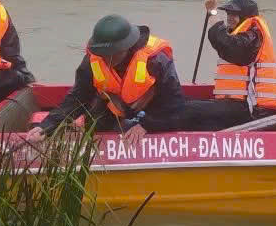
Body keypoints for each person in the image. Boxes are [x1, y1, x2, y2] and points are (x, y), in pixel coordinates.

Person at [23, 15, 185, 145]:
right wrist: (47, 126)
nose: (107, 60)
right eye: (103, 55)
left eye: (113, 54)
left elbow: (174, 103)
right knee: (93, 125)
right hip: (113, 107)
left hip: (154, 110)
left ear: (127, 47)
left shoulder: (156, 60)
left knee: (177, 119)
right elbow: (78, 98)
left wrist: (147, 125)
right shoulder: (93, 60)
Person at [182, 0, 276, 130]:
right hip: (235, 105)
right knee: (186, 104)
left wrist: (212, 12)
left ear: (245, 17)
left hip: (251, 109)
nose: (229, 18)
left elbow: (226, 43)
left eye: (234, 14)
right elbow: (223, 42)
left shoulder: (254, 36)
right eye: (228, 14)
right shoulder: (242, 36)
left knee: (187, 109)